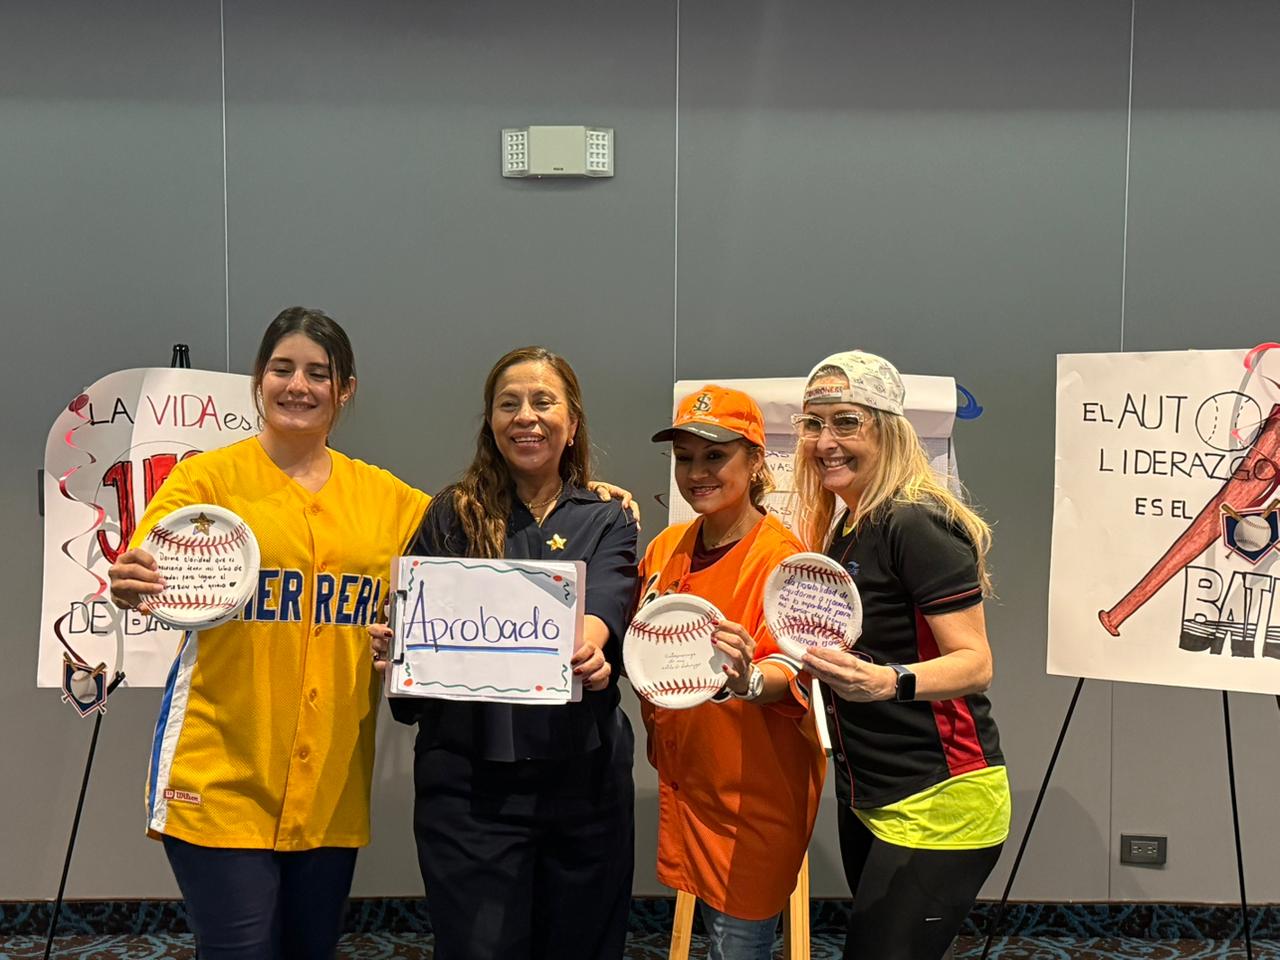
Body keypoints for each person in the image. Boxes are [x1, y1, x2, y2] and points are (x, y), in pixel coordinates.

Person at [107, 307, 432, 960]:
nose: (298, 386)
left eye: (318, 373)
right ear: (260, 379)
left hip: (330, 785)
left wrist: (571, 493)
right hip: (220, 772)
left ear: (345, 389)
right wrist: (131, 579)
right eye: (282, 369)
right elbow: (146, 565)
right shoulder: (207, 480)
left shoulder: (388, 500)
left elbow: (477, 545)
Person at [369, 346, 638, 960]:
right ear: (490, 421)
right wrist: (400, 649)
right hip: (469, 788)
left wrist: (590, 649)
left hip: (583, 783)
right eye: (508, 403)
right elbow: (418, 622)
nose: (526, 416)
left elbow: (607, 601)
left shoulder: (608, 517)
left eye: (543, 402)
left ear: (572, 421)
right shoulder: (451, 513)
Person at [791, 350, 1009, 960]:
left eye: (846, 422)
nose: (825, 441)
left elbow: (975, 663)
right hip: (871, 793)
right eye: (814, 423)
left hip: (941, 796)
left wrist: (888, 682)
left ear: (887, 429)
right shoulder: (848, 526)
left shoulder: (914, 521)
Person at [635, 385, 825, 960]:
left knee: (738, 945)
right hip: (692, 781)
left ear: (756, 460)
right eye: (685, 457)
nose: (697, 472)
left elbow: (792, 669)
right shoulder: (667, 546)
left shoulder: (784, 560)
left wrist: (748, 680)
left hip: (753, 800)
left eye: (715, 455)